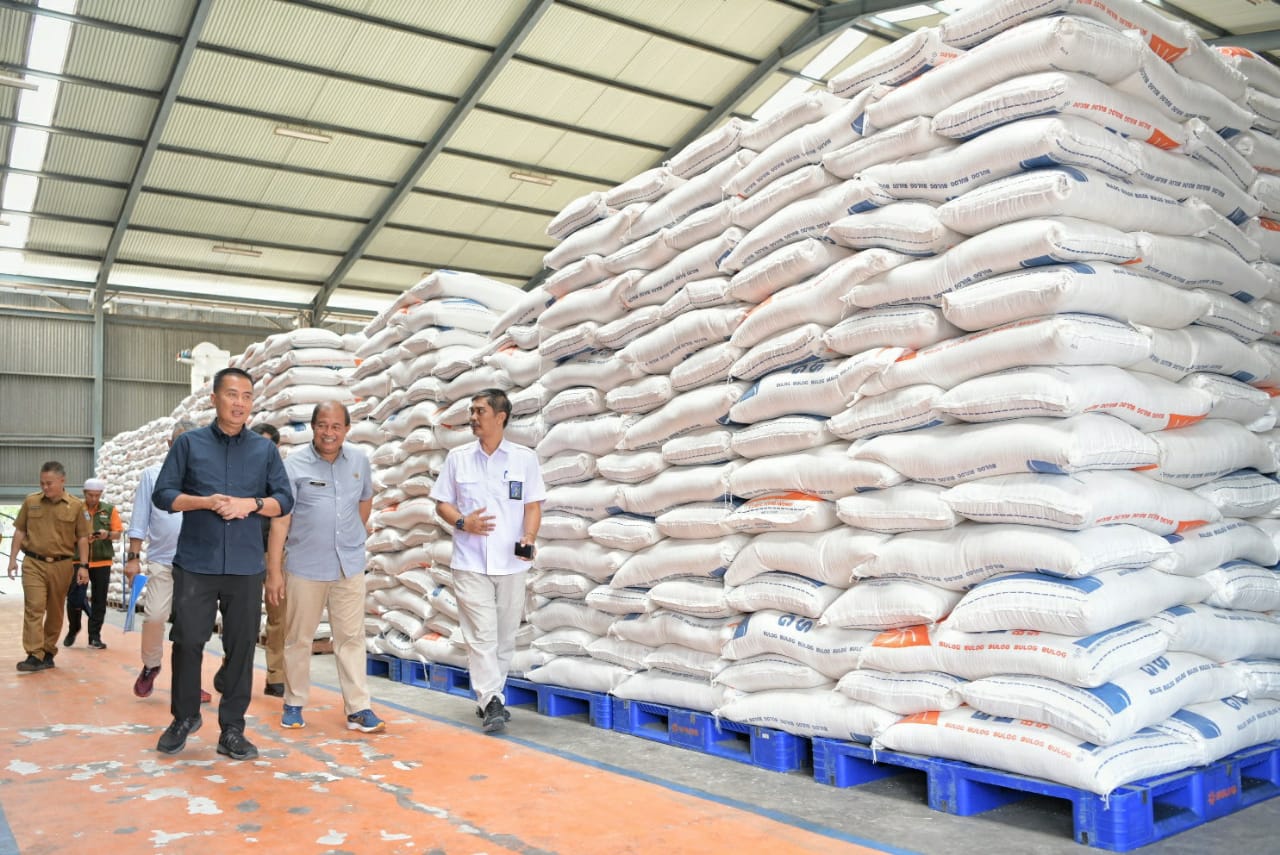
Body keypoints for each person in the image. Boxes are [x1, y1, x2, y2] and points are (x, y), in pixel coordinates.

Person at [152, 367, 293, 761]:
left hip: (246, 566)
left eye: (246, 396)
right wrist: (205, 501)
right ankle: (184, 717)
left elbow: (285, 499)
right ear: (214, 399)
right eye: (232, 394)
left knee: (241, 648)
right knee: (187, 642)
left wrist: (252, 504)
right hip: (197, 563)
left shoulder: (264, 451)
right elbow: (163, 495)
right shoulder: (189, 445)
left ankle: (232, 729)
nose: (239, 403)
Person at [430, 388, 545, 733]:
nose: (473, 417)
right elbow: (442, 503)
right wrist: (463, 522)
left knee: (505, 636)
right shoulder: (458, 458)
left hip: (511, 562)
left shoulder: (524, 459)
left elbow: (533, 505)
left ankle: (491, 697)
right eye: (472, 411)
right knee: (481, 634)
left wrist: (529, 536)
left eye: (480, 411)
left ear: (501, 417)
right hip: (470, 561)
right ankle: (492, 700)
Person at [267, 401, 383, 733]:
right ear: (313, 427)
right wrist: (274, 572)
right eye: (322, 425)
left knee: (351, 638)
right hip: (305, 566)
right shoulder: (294, 465)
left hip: (349, 565)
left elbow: (365, 498)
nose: (328, 433)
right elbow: (281, 520)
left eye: (335, 426)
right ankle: (293, 703)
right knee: (298, 639)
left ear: (346, 429)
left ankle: (358, 708)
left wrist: (356, 532)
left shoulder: (359, 461)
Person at [125, 419, 211, 704]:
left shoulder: (207, 478)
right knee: (154, 617)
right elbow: (139, 520)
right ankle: (151, 665)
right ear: (170, 445)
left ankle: (190, 683)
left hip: (197, 565)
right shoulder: (153, 475)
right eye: (180, 443)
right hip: (162, 562)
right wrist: (133, 558)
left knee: (192, 628)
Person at [213, 422, 286, 698]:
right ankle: (231, 665)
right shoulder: (236, 475)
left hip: (274, 553)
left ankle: (276, 675)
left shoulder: (280, 479)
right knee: (241, 619)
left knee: (279, 616)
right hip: (243, 552)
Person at [7, 461, 90, 672]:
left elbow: (82, 537)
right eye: (42, 483)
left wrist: (84, 566)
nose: (45, 487)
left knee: (55, 611)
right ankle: (34, 654)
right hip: (33, 563)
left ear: (62, 481)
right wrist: (12, 559)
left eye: (49, 483)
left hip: (62, 565)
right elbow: (20, 531)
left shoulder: (76, 506)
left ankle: (48, 651)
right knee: (34, 607)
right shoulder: (31, 501)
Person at [64, 477, 121, 650]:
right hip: (78, 561)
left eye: (97, 495)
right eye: (90, 495)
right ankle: (74, 627)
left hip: (101, 561)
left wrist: (106, 534)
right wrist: (81, 538)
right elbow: (65, 534)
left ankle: (94, 637)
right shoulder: (75, 509)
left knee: (99, 600)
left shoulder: (109, 510)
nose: (94, 499)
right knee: (75, 598)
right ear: (84, 493)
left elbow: (117, 533)